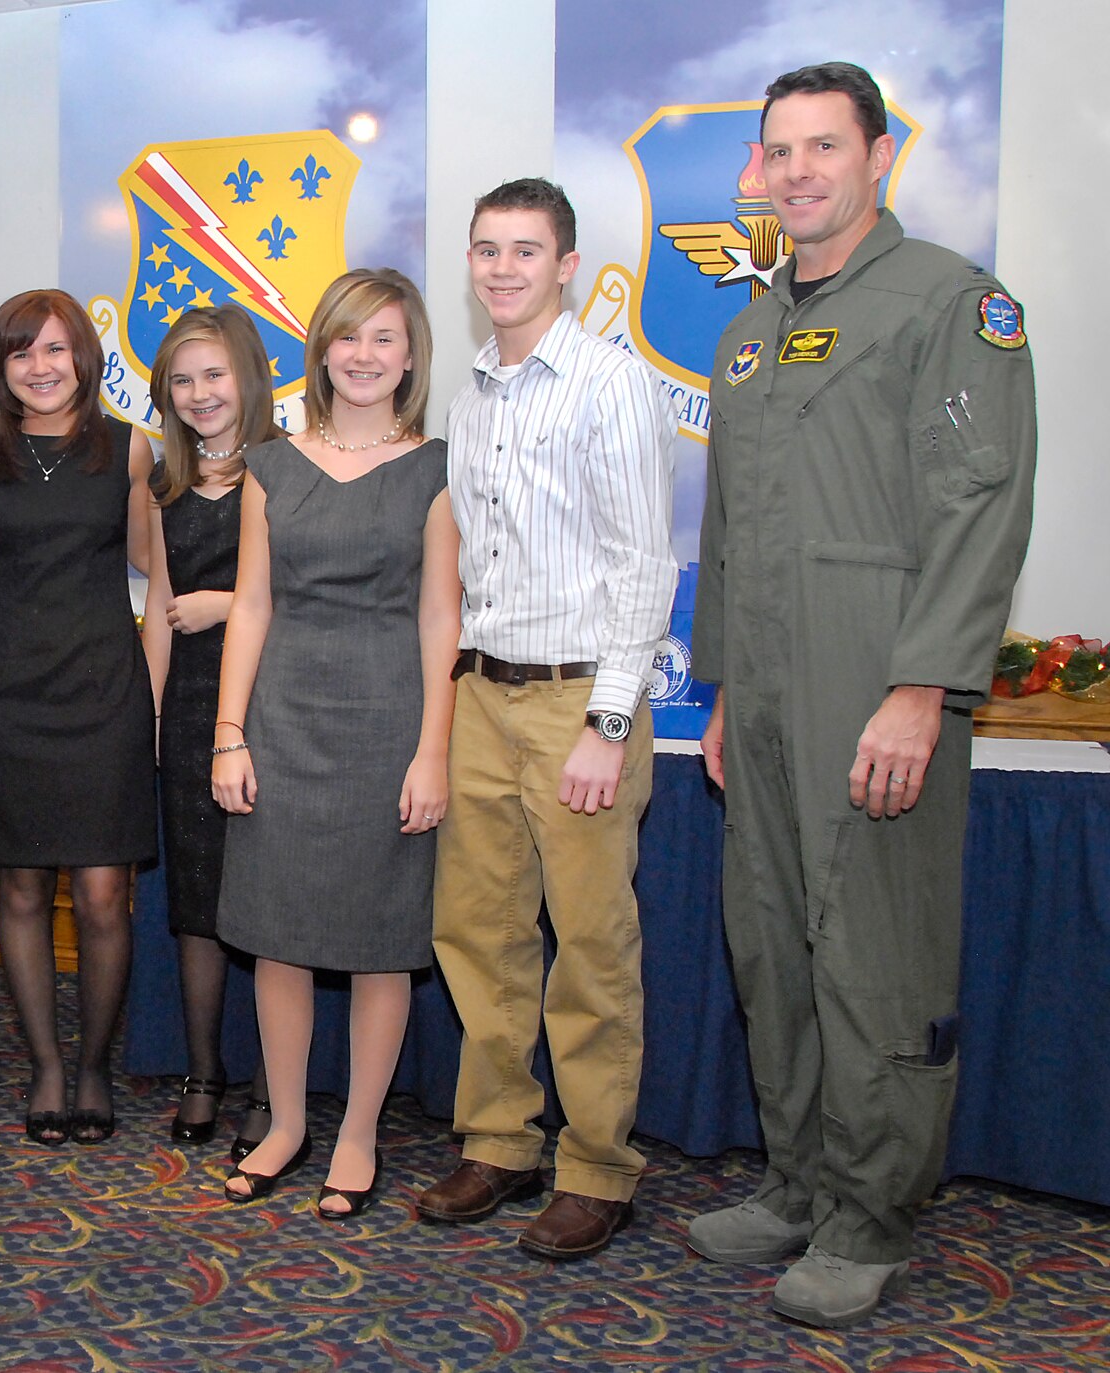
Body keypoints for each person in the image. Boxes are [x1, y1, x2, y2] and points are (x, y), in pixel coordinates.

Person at [689, 62, 1035, 1327]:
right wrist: (722, 688)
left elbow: (977, 506)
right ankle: (796, 1183)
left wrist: (920, 685)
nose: (794, 172)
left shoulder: (948, 303)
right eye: (775, 151)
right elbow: (728, 525)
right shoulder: (746, 330)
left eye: (819, 147)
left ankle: (869, 1214)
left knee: (874, 958)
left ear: (876, 155)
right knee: (768, 943)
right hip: (764, 697)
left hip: (875, 685)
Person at [416, 179, 675, 1259]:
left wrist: (606, 722)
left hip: (581, 697)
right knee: (477, 934)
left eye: (525, 250)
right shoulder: (470, 397)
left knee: (589, 944)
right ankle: (499, 1140)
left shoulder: (612, 384)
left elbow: (643, 564)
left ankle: (598, 1166)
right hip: (482, 689)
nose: (502, 268)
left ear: (565, 265)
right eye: (485, 250)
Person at [211, 268, 460, 1219]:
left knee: (377, 945)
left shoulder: (435, 466)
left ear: (410, 356)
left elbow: (443, 617)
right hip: (283, 722)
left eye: (385, 339)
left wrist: (432, 748)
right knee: (275, 938)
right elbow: (251, 605)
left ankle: (357, 1133)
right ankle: (283, 1123)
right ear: (320, 349)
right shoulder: (270, 464)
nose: (363, 356)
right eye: (348, 337)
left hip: (389, 722)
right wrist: (229, 736)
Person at [0, 289, 157, 1146]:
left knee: (107, 894)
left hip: (107, 688)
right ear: (1, 369)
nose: (40, 368)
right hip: (12, 691)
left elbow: (158, 561)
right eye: (20, 353)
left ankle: (95, 1064)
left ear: (86, 356)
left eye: (55, 350)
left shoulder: (129, 449)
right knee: (23, 885)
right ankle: (45, 1064)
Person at [139, 306, 275, 1155]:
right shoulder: (164, 483)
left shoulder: (294, 467)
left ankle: (272, 1085)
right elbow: (158, 605)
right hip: (190, 706)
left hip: (273, 707)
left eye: (214, 374)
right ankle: (202, 1073)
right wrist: (148, 724)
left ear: (250, 376)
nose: (199, 393)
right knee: (196, 905)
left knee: (266, 907)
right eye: (182, 380)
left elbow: (321, 596)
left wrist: (228, 604)